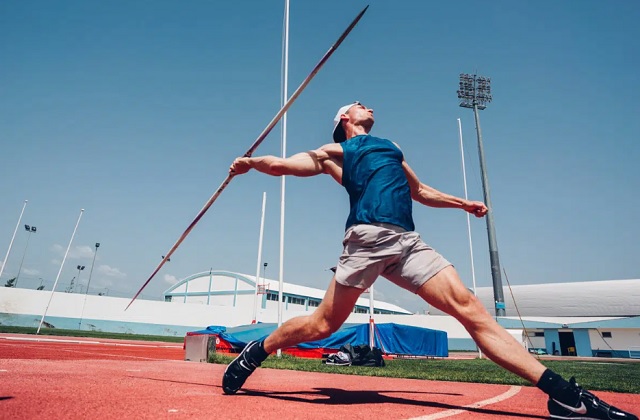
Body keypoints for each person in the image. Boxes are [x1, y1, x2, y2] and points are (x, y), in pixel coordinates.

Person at [223, 102, 638, 420]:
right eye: (358, 104)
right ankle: (257, 350)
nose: (367, 106)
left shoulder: (391, 147)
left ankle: (564, 396)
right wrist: (251, 163)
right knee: (322, 325)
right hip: (366, 240)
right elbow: (285, 165)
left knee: (470, 309)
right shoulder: (334, 151)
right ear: (346, 119)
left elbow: (420, 192)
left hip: (407, 242)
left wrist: (463, 204)